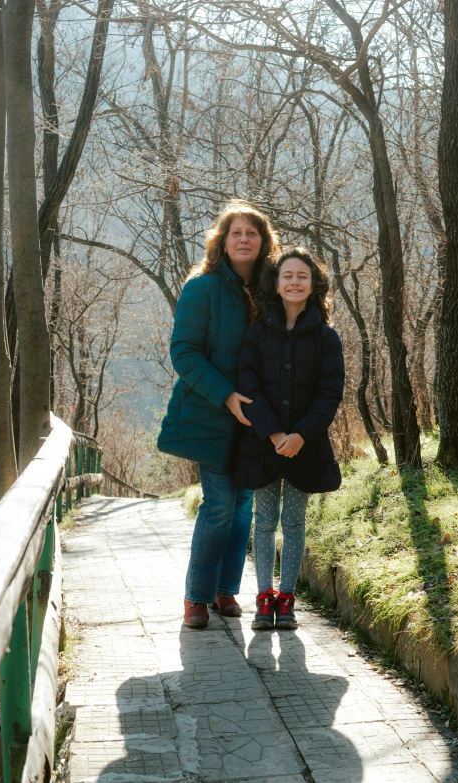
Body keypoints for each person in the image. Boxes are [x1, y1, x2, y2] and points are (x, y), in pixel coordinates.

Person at [157, 201, 280, 629]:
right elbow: (184, 353)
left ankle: (226, 591)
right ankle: (196, 597)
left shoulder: (271, 290)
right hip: (210, 413)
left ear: (263, 242)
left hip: (258, 419)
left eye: (252, 233)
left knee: (243, 505)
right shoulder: (202, 288)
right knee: (220, 505)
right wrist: (226, 395)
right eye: (236, 233)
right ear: (222, 242)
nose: (244, 239)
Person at [234, 247, 345, 630]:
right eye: (288, 276)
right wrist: (276, 432)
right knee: (263, 521)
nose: (295, 282)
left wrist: (300, 435)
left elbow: (329, 394)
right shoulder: (258, 333)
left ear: (314, 285)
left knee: (294, 523)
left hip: (306, 448)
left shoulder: (327, 338)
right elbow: (247, 384)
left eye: (302, 276)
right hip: (263, 445)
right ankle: (264, 598)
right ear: (277, 285)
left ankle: (287, 599)